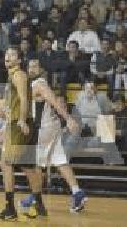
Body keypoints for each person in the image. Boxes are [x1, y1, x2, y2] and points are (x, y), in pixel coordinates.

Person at [18, 59, 87, 217]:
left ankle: (35, 196)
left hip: (44, 129)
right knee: (60, 160)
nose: (31, 69)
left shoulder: (39, 84)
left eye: (35, 66)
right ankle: (77, 192)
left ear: (41, 69)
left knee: (37, 165)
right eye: (30, 66)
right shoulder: (34, 84)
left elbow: (55, 102)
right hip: (51, 127)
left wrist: (68, 118)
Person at [0, 47, 42, 221]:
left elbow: (25, 99)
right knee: (26, 166)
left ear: (19, 60)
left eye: (12, 55)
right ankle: (38, 205)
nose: (7, 57)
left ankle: (10, 208)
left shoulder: (18, 74)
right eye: (6, 54)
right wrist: (6, 112)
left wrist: (22, 120)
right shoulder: (13, 75)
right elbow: (18, 101)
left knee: (6, 164)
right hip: (17, 122)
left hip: (20, 124)